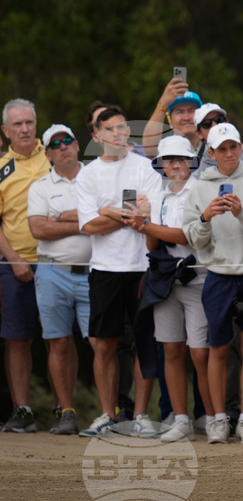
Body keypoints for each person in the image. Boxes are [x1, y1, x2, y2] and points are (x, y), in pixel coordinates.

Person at [182, 122, 243, 445]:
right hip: (219, 276)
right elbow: (193, 238)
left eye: (233, 147)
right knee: (219, 347)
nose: (228, 153)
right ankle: (218, 419)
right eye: (221, 149)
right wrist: (205, 217)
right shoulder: (199, 188)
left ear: (240, 147)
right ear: (210, 153)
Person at [76, 105, 162, 438]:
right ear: (97, 136)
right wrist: (122, 212)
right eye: (111, 129)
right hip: (105, 269)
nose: (119, 133)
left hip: (142, 266)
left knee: (144, 343)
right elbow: (89, 226)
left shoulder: (145, 168)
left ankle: (140, 415)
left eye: (123, 127)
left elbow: (147, 218)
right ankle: (108, 415)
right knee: (105, 345)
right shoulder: (88, 174)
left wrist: (106, 210)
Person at [132, 136, 215, 443]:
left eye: (181, 159)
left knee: (200, 352)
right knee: (170, 349)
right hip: (167, 281)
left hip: (198, 277)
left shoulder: (200, 191)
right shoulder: (161, 196)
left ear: (191, 162)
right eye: (170, 160)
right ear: (163, 165)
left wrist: (145, 224)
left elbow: (187, 236)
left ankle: (212, 415)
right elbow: (153, 244)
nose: (176, 165)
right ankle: (181, 418)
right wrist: (145, 220)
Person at [26, 124, 92, 435]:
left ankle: (112, 411)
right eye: (56, 144)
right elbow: (38, 230)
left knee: (101, 343)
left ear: (78, 146)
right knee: (59, 343)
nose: (64, 146)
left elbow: (108, 217)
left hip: (95, 271)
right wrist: (82, 220)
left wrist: (58, 217)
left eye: (68, 141)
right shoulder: (40, 186)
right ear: (49, 153)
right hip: (52, 271)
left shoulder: (95, 177)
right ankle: (66, 411)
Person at [0, 99, 49, 433]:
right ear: (6, 131)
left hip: (59, 262)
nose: (25, 129)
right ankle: (23, 411)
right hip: (14, 263)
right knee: (17, 339)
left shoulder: (56, 155)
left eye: (29, 122)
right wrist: (15, 260)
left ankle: (66, 409)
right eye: (17, 124)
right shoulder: (1, 167)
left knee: (60, 339)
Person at [140, 75, 202, 157]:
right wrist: (163, 104)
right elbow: (149, 149)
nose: (186, 117)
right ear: (170, 121)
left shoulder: (214, 146)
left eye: (192, 111)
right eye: (179, 112)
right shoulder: (165, 147)